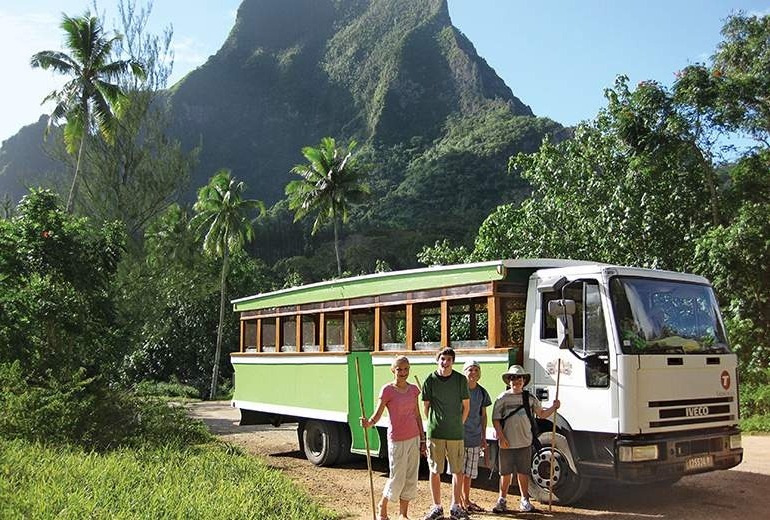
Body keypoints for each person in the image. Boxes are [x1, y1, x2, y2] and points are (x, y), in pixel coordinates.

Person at [361, 356, 426, 520]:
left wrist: (423, 439)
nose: (403, 373)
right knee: (397, 477)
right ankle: (382, 506)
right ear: (393, 370)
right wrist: (369, 423)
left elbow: (417, 415)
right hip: (397, 438)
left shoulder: (413, 390)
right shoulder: (387, 390)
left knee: (411, 476)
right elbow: (378, 412)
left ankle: (403, 514)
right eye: (399, 369)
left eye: (405, 369)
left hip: (414, 437)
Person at [491, 364, 560, 514]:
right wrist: (501, 437)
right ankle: (502, 500)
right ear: (509, 380)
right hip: (506, 443)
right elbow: (495, 419)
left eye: (519, 378)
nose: (516, 381)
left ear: (524, 380)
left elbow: (541, 414)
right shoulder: (502, 398)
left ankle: (524, 500)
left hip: (525, 442)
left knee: (523, 472)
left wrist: (554, 407)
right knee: (505, 474)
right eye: (513, 378)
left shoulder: (529, 398)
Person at [421, 347, 471, 520]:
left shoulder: (460, 380)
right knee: (435, 470)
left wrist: (458, 423)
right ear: (438, 360)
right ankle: (437, 507)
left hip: (456, 433)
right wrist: (435, 423)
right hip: (435, 433)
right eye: (443, 358)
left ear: (453, 361)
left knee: (457, 470)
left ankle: (455, 507)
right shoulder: (430, 380)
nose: (445, 362)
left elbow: (466, 406)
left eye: (449, 359)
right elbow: (426, 408)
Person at [459, 360, 492, 513]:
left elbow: (483, 416)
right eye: (470, 370)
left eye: (476, 370)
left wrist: (483, 437)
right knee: (458, 471)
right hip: (458, 437)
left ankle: (466, 499)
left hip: (474, 437)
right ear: (464, 372)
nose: (473, 373)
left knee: (469, 472)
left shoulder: (482, 392)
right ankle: (458, 501)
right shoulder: (459, 391)